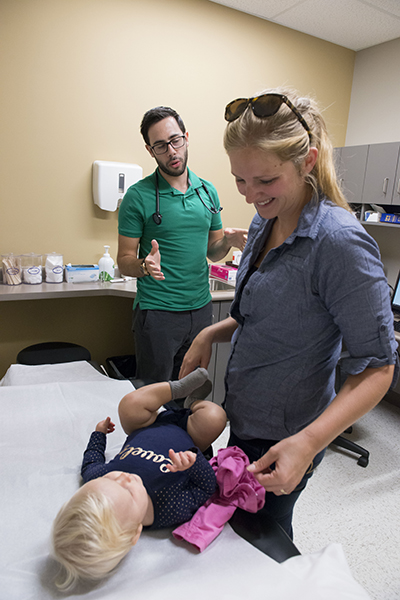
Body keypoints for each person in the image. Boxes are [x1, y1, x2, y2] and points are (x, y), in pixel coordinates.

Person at [179, 88, 399, 539]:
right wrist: (209, 334)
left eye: (265, 180)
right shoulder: (266, 220)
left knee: (263, 538)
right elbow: (265, 315)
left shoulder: (339, 244)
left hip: (288, 435)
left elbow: (379, 367)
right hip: (246, 414)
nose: (250, 195)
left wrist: (309, 442)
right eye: (240, 180)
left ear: (307, 161)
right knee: (234, 527)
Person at [52, 368, 227, 590]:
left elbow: (91, 461)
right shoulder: (169, 510)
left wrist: (99, 434)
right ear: (136, 533)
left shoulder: (96, 481)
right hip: (190, 434)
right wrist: (193, 462)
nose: (124, 478)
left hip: (144, 424)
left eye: (111, 480)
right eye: (128, 491)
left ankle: (177, 389)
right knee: (215, 417)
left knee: (129, 404)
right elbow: (206, 488)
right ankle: (193, 403)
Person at [117, 106, 247, 382]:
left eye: (175, 140)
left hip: (200, 310)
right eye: (160, 146)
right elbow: (124, 261)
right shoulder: (137, 196)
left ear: (186, 138)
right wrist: (144, 266)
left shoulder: (207, 192)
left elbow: (213, 252)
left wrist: (229, 241)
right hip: (157, 313)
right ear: (150, 151)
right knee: (155, 394)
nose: (171, 151)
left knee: (191, 388)